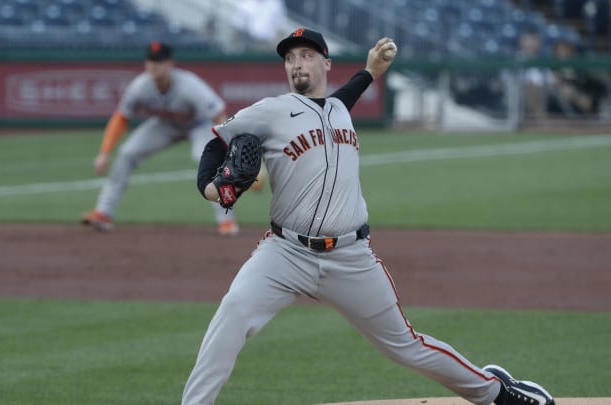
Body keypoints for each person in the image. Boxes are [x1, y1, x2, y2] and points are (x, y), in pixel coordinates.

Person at [182, 28, 556, 405]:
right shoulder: (270, 111)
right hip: (285, 253)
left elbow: (340, 99)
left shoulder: (339, 110)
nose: (297, 63)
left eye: (306, 55)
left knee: (405, 346)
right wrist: (211, 190)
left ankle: (497, 391)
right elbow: (217, 143)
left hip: (351, 257)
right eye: (290, 57)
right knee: (231, 315)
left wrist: (369, 71)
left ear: (326, 63)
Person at [81, 41, 241, 236]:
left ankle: (226, 221)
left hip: (199, 125)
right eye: (150, 61)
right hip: (165, 125)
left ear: (170, 64)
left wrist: (233, 153)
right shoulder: (140, 86)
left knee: (204, 159)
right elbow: (121, 117)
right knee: (127, 153)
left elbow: (220, 116)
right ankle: (104, 213)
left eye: (159, 61)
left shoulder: (190, 86)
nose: (154, 65)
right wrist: (104, 153)